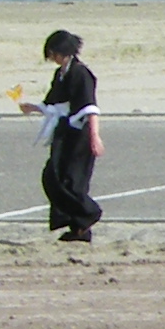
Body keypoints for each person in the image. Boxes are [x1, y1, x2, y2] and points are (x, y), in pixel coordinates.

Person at [28, 29, 103, 243]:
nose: (52, 57)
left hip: (80, 134)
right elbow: (53, 104)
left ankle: (87, 217)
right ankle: (78, 226)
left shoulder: (81, 73)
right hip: (63, 131)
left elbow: (90, 108)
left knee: (73, 181)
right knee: (53, 176)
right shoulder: (60, 74)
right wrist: (32, 108)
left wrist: (95, 136)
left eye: (53, 53)